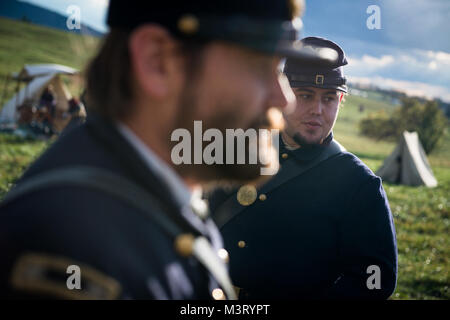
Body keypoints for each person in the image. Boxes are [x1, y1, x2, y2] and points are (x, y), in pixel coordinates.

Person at [0, 2, 336, 299]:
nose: (284, 99)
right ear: (157, 61)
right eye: (259, 67)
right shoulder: (70, 247)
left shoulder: (148, 197)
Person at [208, 37, 398, 300]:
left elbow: (376, 279)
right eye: (305, 96)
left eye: (329, 98)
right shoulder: (239, 152)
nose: (317, 110)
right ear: (283, 95)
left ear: (341, 101)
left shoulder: (358, 184)